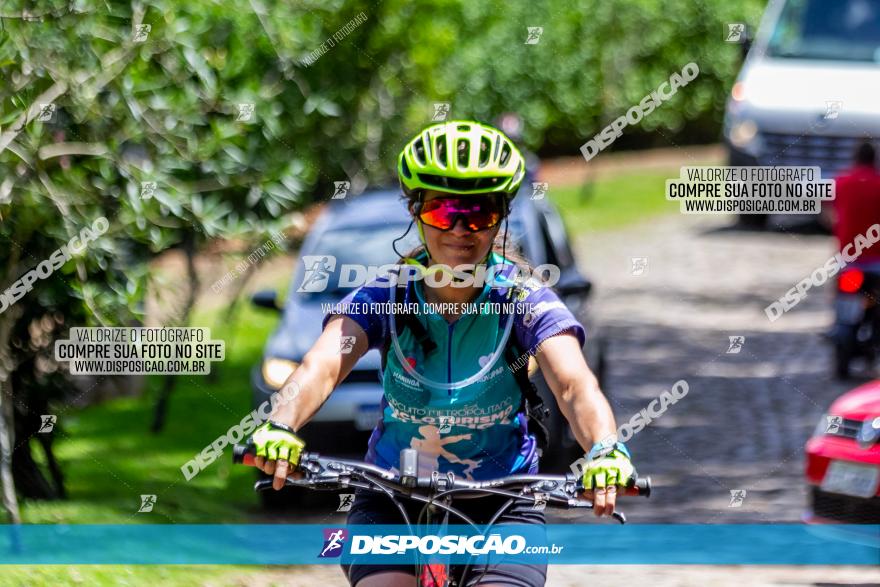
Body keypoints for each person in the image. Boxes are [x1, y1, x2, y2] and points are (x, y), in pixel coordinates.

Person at [250, 121, 637, 587]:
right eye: (441, 210)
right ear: (415, 210)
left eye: (476, 213)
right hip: (391, 493)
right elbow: (321, 366)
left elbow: (574, 384)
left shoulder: (523, 298)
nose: (458, 229)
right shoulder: (386, 295)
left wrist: (605, 449)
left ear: (501, 215)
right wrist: (280, 425)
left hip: (502, 502)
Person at [834, 141, 880, 268]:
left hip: (848, 255)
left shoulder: (841, 182)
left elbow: (829, 213)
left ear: (855, 158)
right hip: (876, 257)